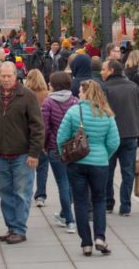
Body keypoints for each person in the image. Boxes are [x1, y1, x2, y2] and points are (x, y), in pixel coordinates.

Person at [0, 61, 45, 244]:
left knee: (21, 192)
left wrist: (34, 153)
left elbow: (37, 126)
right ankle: (11, 227)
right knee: (5, 193)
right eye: (3, 76)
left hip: (22, 154)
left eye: (9, 76)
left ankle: (19, 229)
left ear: (16, 76)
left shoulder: (26, 95)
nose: (6, 79)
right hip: (1, 153)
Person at [57, 80, 120, 257]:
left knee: (81, 202)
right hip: (99, 164)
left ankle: (85, 243)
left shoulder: (73, 112)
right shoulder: (107, 114)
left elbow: (61, 137)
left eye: (80, 91)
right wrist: (103, 155)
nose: (78, 94)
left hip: (77, 163)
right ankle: (100, 237)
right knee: (99, 200)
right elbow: (114, 141)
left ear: (86, 93)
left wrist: (68, 155)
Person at [100, 59, 139, 216]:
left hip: (110, 136)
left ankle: (108, 203)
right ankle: (125, 205)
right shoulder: (133, 86)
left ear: (112, 70)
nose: (101, 72)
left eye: (104, 69)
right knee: (128, 171)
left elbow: (101, 112)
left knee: (108, 171)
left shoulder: (104, 88)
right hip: (130, 133)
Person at [41, 71, 79, 234]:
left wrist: (44, 145)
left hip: (55, 147)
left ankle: (70, 220)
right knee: (71, 183)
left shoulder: (48, 102)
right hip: (74, 147)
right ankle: (65, 214)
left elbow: (45, 127)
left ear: (54, 85)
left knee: (62, 183)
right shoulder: (75, 101)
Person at [23, 69, 52, 208]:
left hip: (27, 134)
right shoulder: (47, 95)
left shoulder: (24, 94)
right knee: (42, 167)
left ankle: (26, 194)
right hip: (42, 135)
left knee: (27, 167)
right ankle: (41, 195)